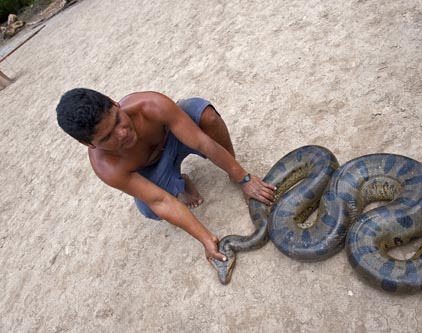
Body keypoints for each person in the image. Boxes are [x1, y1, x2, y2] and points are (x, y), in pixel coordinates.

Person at [56, 88, 276, 264]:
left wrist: (243, 178)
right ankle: (182, 182)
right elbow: (158, 200)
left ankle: (232, 171)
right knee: (149, 209)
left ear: (115, 104)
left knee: (206, 116)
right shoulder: (106, 167)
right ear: (89, 144)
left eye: (117, 120)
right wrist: (206, 239)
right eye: (107, 138)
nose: (122, 133)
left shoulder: (151, 105)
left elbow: (201, 142)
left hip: (175, 139)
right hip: (150, 169)